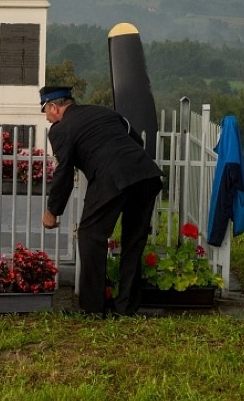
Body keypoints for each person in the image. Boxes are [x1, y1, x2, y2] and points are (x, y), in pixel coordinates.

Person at [39, 86, 163, 317]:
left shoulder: (60, 129)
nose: (46, 117)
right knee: (133, 241)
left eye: (45, 111)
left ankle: (93, 308)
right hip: (145, 175)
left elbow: (64, 172)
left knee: (90, 235)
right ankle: (126, 306)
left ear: (54, 107)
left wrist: (52, 211)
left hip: (111, 178)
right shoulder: (106, 112)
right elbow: (136, 141)